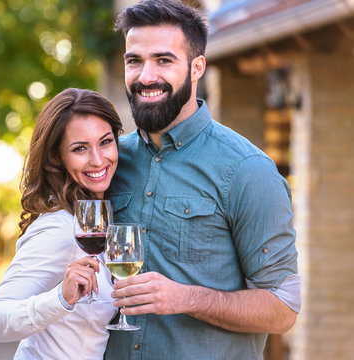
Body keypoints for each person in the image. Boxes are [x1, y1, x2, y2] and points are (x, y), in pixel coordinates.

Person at [104, 1, 301, 359]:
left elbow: (282, 308)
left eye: (164, 60)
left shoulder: (247, 170)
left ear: (197, 68)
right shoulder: (111, 162)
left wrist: (185, 298)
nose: (146, 76)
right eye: (135, 60)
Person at [0, 88, 122, 359]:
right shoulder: (59, 226)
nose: (98, 159)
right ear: (57, 157)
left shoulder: (96, 220)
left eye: (105, 142)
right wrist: (60, 298)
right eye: (80, 148)